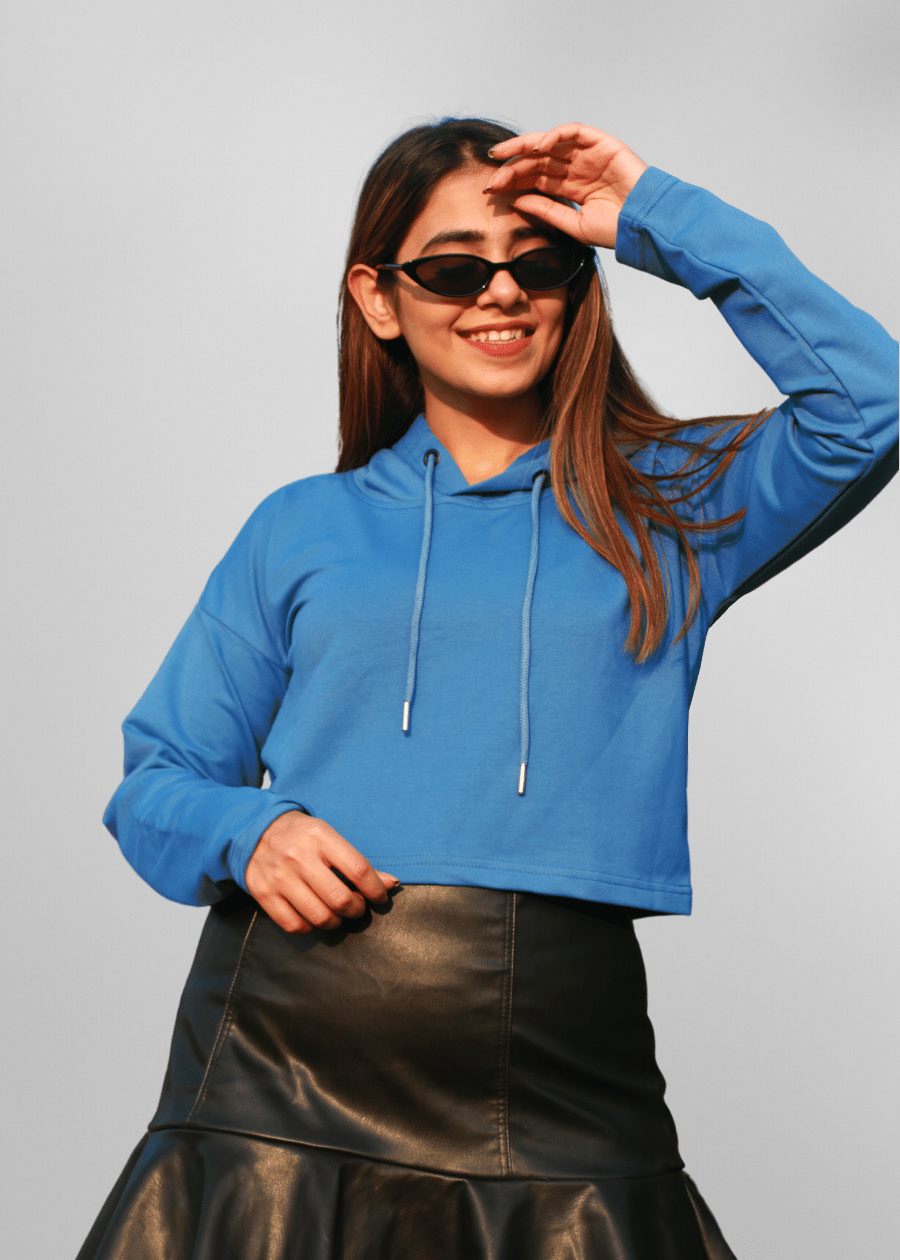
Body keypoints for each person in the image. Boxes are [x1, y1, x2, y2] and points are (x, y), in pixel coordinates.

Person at [75, 117, 898, 1259]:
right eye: (456, 269)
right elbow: (157, 778)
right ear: (378, 298)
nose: (501, 292)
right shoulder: (301, 528)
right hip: (281, 1068)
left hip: (565, 1073)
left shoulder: (667, 509)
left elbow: (872, 401)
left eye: (539, 262)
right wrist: (248, 830)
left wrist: (653, 212)